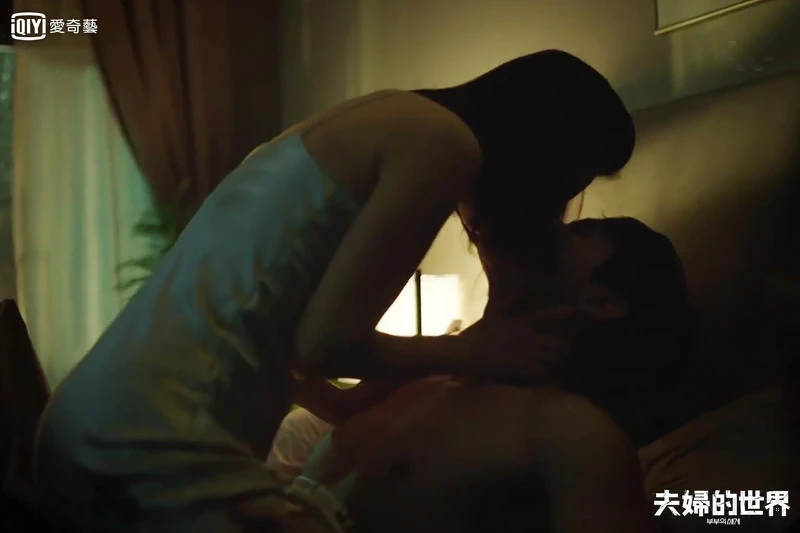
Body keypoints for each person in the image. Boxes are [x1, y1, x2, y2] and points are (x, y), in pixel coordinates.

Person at [34, 50, 634, 532]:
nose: (556, 214)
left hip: (86, 414)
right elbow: (324, 345)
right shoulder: (443, 145)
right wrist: (470, 349)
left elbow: (294, 347)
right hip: (157, 439)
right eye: (567, 186)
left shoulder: (379, 119)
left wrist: (394, 379)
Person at [293, 217, 695, 533]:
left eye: (579, 232)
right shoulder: (440, 364)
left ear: (603, 302)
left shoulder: (570, 431)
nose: (546, 227)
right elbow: (337, 403)